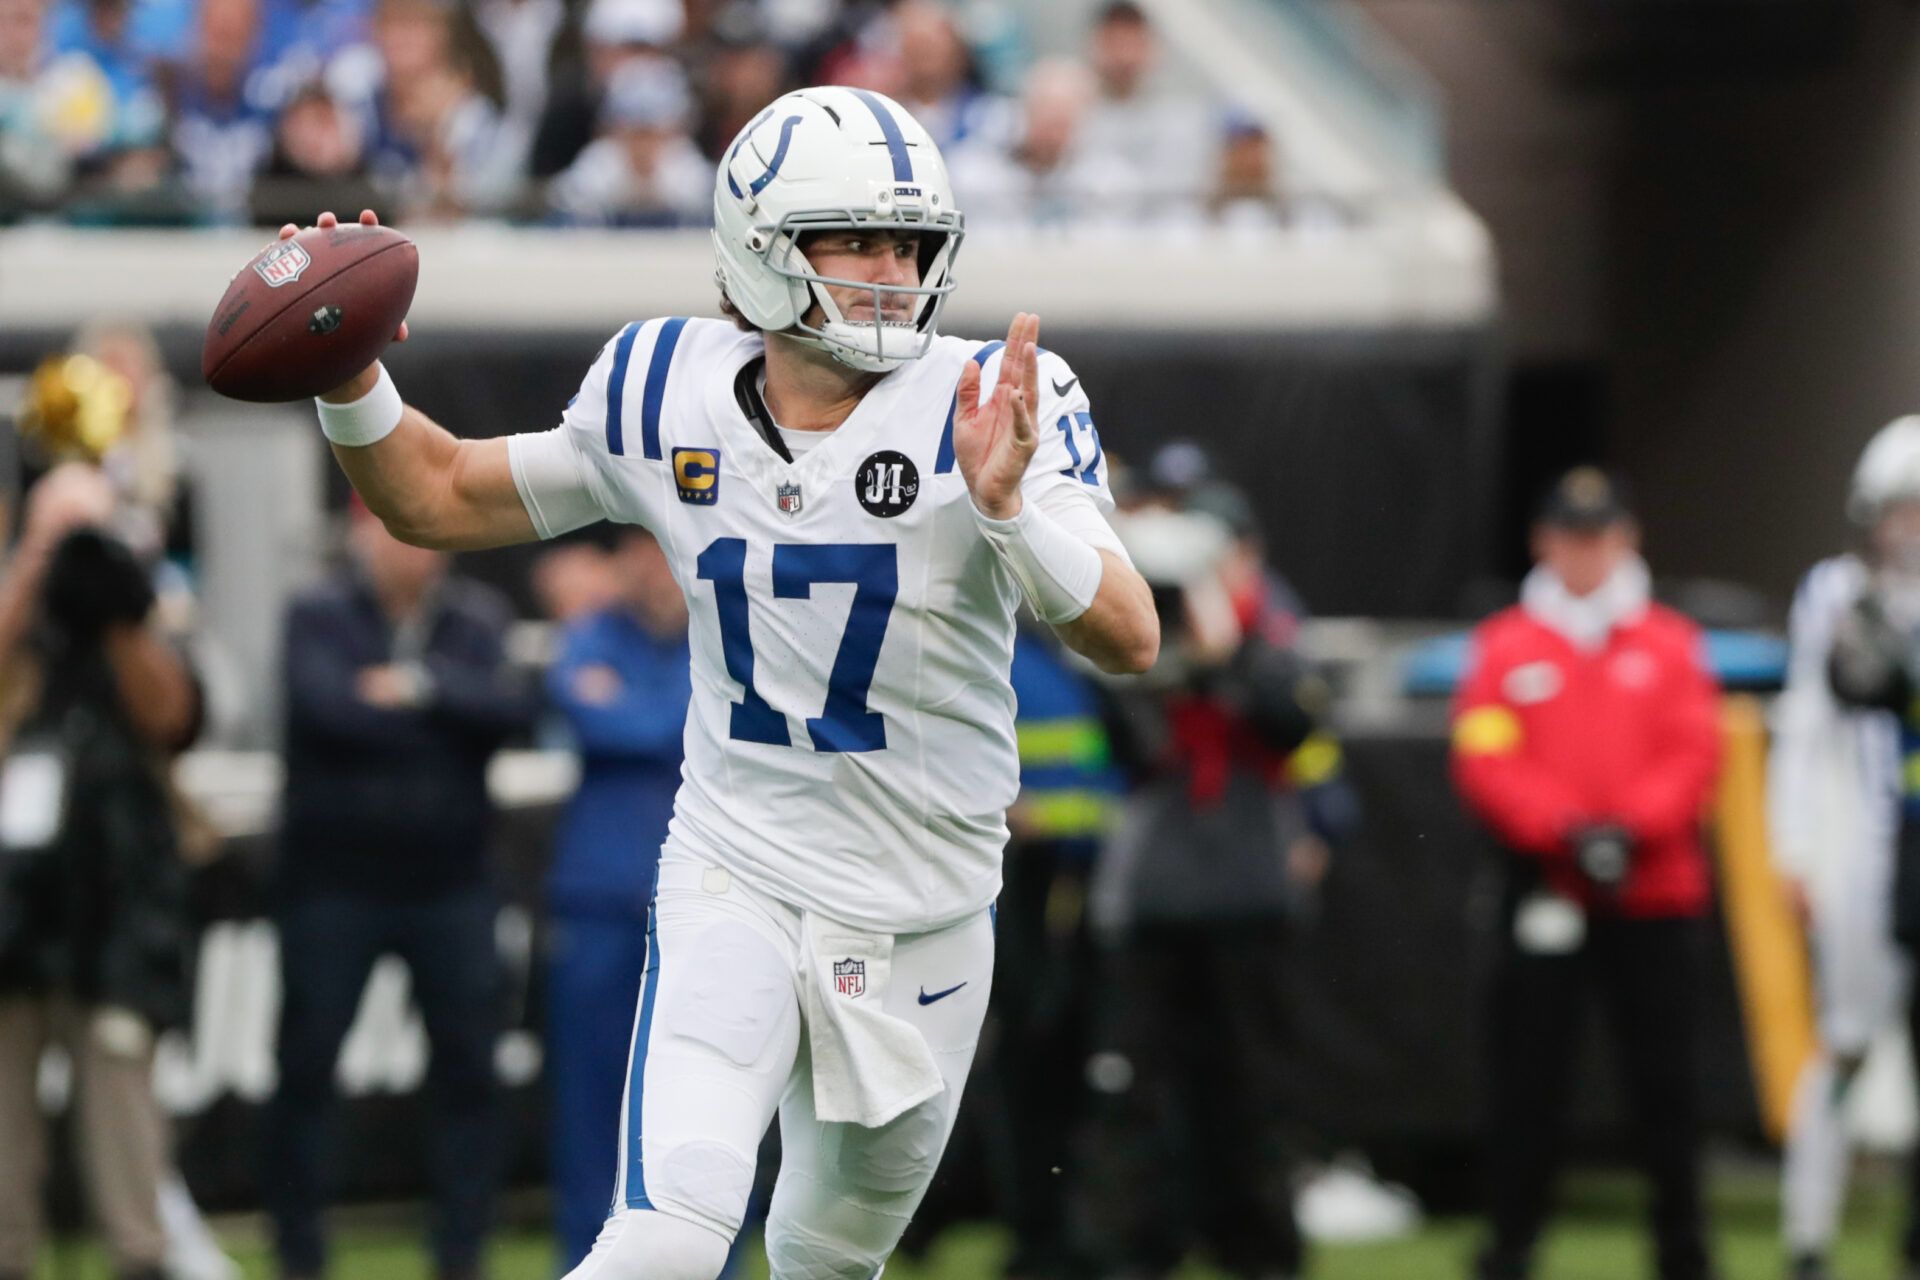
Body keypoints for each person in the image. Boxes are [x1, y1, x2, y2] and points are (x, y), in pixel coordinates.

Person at [277, 80, 1158, 1280]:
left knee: (824, 1259)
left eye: (910, 243)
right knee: (669, 1233)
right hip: (738, 872)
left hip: (927, 910)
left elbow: (1130, 633)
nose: (893, 271)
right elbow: (436, 494)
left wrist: (1008, 511)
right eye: (856, 238)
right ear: (759, 246)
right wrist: (348, 374)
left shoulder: (994, 398)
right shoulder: (662, 386)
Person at [1450, 467, 1723, 1280]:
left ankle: (1683, 1249)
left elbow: (1695, 752)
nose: (1585, 553)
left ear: (1626, 539)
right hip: (1546, 886)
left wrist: (1630, 829)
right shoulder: (1505, 644)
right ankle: (1510, 1245)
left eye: (1599, 536)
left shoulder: (1671, 641)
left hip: (1655, 894)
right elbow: (1484, 756)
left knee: (1667, 1085)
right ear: (1544, 541)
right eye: (1571, 536)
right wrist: (1564, 830)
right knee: (1527, 1081)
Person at [1070, 502, 1348, 1280]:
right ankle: (1129, 1251)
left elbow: (1295, 721)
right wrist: (1159, 642)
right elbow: (1123, 733)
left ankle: (1258, 1251)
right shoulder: (1140, 624)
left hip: (1247, 897)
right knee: (1131, 1088)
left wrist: (1229, 654)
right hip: (1152, 900)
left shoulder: (1272, 636)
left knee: (1252, 1090)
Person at [262, 504, 538, 1280]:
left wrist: (417, 688)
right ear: (360, 535)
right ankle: (299, 1255)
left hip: (451, 882)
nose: (413, 548)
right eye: (392, 530)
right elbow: (327, 712)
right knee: (307, 1068)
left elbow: (512, 711)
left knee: (469, 1072)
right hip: (333, 883)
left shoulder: (477, 618)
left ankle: (460, 1257)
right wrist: (449, 716)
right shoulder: (317, 612)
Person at [0, 461, 203, 1280]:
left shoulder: (140, 610)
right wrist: (37, 560)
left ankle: (139, 1259)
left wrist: (117, 602)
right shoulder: (22, 621)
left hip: (118, 906)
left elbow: (176, 718)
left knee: (123, 1118)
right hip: (12, 908)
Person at [544, 527, 692, 1273]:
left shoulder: (724, 636)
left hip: (701, 905)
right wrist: (670, 716)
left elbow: (646, 722)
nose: (652, 567)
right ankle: (585, 1260)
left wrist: (632, 706)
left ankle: (706, 1261)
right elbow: (596, 716)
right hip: (599, 898)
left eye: (663, 548)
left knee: (704, 1097)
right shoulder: (590, 635)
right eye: (638, 549)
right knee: (589, 1097)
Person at [1793, 416, 1920, 1280]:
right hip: (1859, 851)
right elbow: (1808, 727)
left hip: (1915, 847)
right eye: (1902, 508)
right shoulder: (1837, 592)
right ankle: (1808, 1237)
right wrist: (1794, 849)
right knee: (1845, 1041)